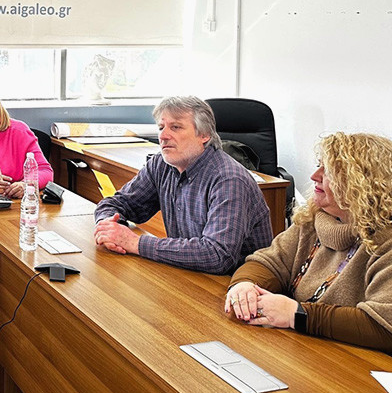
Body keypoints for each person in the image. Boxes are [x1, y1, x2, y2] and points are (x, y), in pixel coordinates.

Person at [226, 133, 392, 371]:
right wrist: (245, 285)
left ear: (362, 182)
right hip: (318, 353)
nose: (314, 176)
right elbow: (268, 262)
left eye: (329, 171)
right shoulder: (317, 219)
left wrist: (297, 314)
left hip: (380, 369)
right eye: (319, 165)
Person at [93, 96, 271, 274]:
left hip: (236, 285)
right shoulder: (161, 164)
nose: (163, 136)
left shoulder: (229, 180)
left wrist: (135, 243)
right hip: (190, 273)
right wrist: (108, 225)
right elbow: (118, 203)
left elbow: (217, 255)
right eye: (161, 127)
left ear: (204, 135)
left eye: (175, 127)